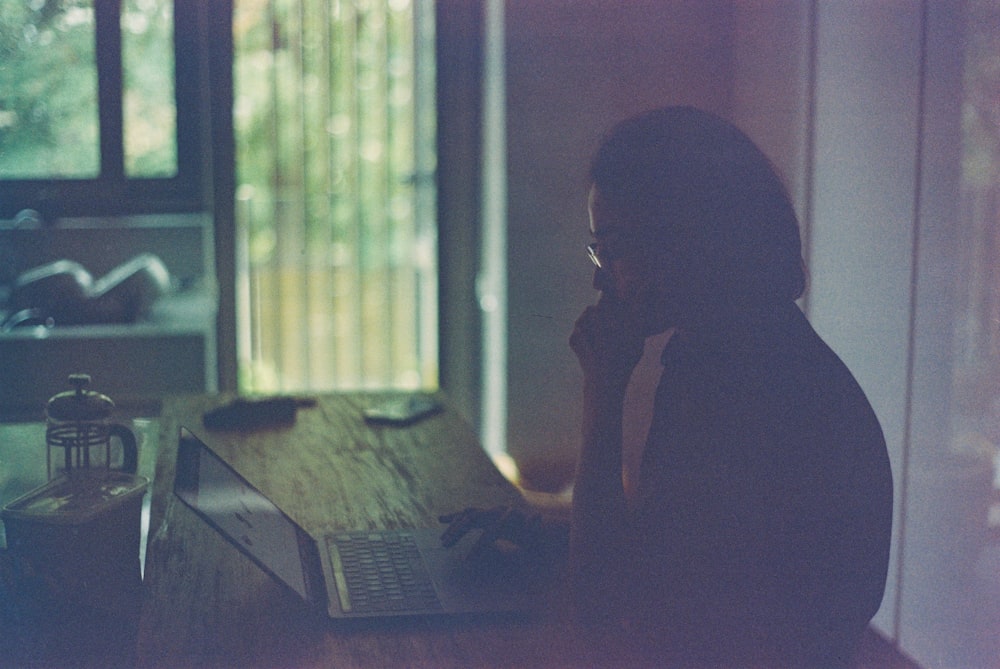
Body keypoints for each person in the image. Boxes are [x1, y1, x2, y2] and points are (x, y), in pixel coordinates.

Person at [441, 106, 893, 668]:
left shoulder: (748, 394)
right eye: (597, 249)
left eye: (614, 248)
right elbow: (660, 558)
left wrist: (602, 396)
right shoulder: (747, 353)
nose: (601, 276)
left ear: (691, 238)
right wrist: (542, 537)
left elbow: (602, 610)